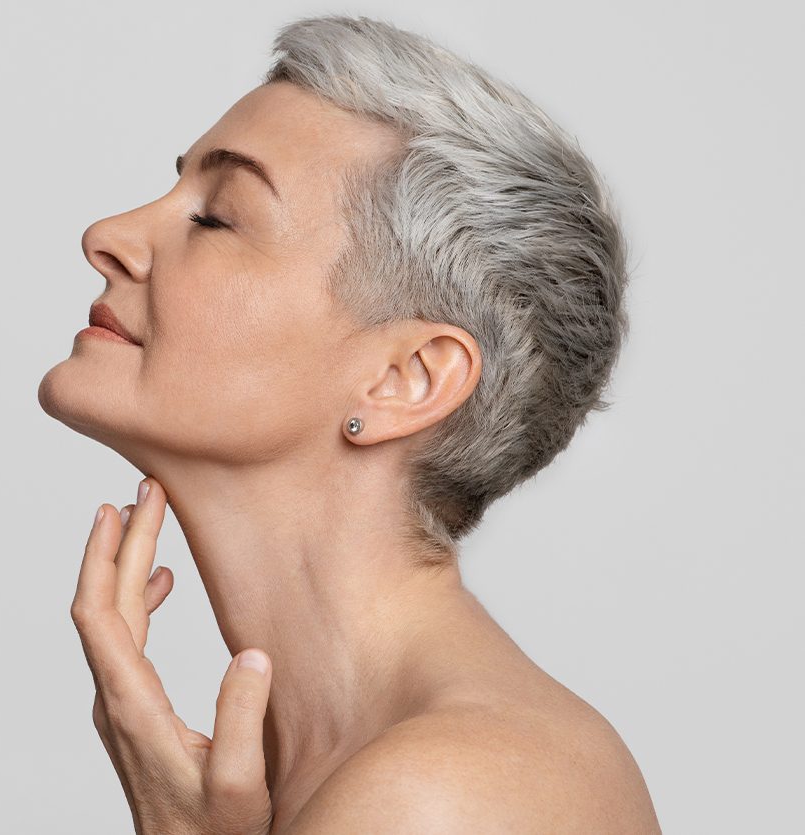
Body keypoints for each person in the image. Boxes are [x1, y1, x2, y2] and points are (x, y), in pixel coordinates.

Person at [38, 13, 661, 834]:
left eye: (217, 217)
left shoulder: (437, 797)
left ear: (405, 378)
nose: (108, 236)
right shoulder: (347, 768)